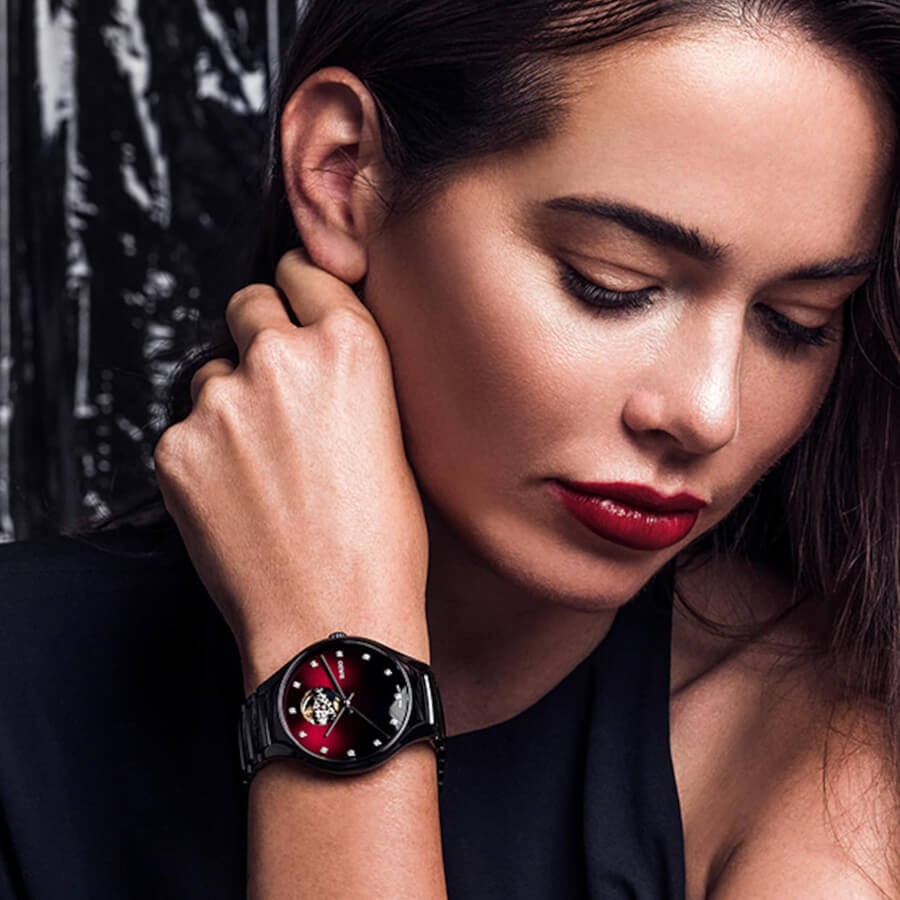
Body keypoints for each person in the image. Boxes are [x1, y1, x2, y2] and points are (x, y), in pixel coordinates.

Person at [2, 0, 899, 897]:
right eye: (611, 281)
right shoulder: (22, 682)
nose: (708, 413)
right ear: (343, 172)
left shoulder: (822, 744)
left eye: (796, 321)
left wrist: (336, 646)